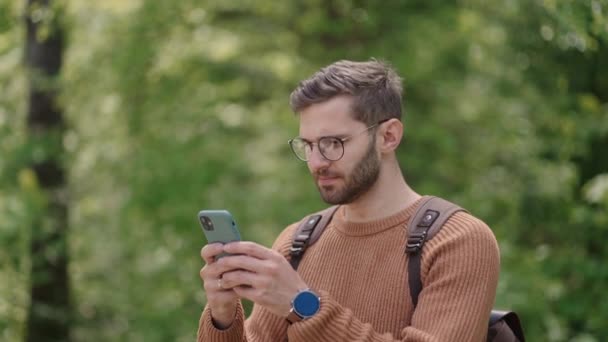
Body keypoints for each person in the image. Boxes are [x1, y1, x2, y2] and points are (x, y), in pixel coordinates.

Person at [198, 59, 500, 341]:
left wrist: (304, 307)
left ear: (388, 136)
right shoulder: (297, 243)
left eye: (333, 143)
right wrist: (223, 318)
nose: (316, 162)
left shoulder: (457, 241)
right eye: (308, 145)